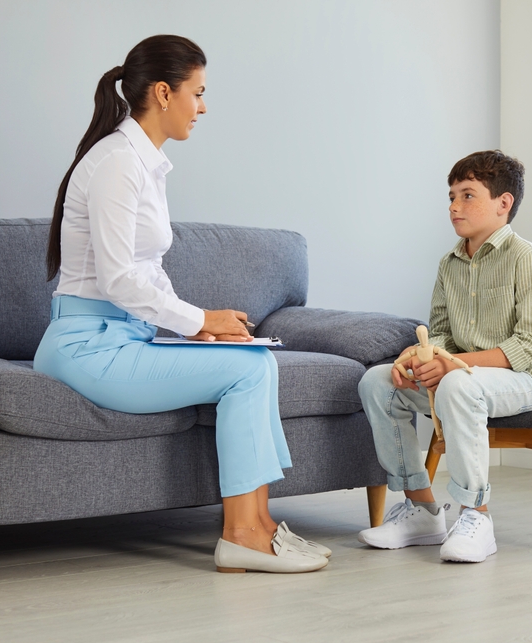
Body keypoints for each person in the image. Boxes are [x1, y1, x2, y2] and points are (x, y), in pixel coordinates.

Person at [34, 35, 328, 574]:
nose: (204, 106)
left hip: (124, 336)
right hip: (86, 346)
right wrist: (198, 319)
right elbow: (121, 280)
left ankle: (259, 525)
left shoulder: (144, 164)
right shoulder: (117, 163)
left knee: (254, 359)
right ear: (164, 93)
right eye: (199, 92)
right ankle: (241, 534)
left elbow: (147, 275)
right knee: (247, 372)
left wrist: (198, 328)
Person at [356, 150, 532, 563]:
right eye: (451, 196)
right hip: (467, 381)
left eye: (467, 195)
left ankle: (477, 516)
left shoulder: (526, 259)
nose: (454, 206)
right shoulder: (449, 264)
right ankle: (421, 509)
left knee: (455, 383)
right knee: (377, 382)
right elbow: (442, 335)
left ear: (503, 203)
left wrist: (454, 365)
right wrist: (420, 357)